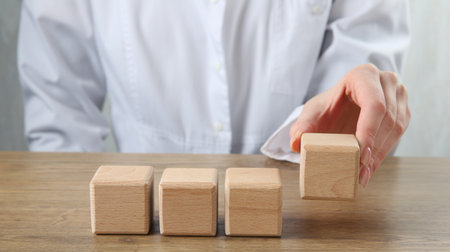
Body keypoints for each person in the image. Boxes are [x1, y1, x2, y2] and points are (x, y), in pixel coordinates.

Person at [18, 0, 411, 187]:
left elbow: (362, 58)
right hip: (139, 234)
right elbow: (60, 117)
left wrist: (349, 107)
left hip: (299, 222)